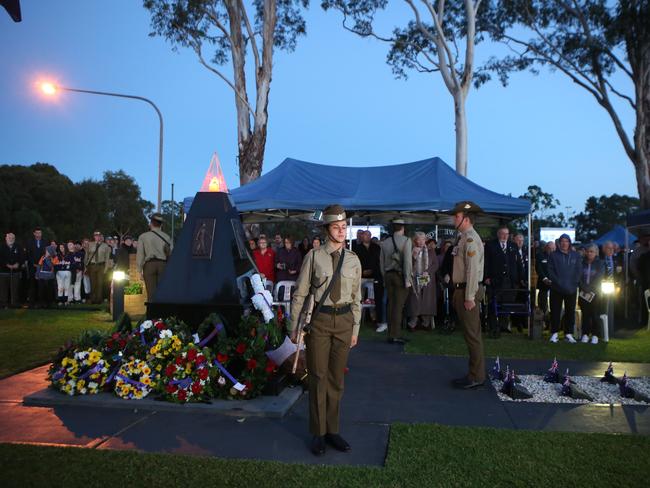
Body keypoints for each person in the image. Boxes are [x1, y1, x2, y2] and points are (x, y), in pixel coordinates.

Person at [290, 204, 361, 456]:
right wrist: (294, 327)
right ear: (327, 229)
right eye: (336, 227)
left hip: (344, 323)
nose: (341, 231)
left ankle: (333, 430)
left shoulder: (353, 260)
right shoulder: (314, 256)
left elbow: (357, 298)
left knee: (337, 379)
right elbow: (300, 293)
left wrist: (355, 329)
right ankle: (318, 432)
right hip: (319, 323)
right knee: (318, 378)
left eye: (343, 227)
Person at [449, 201, 486, 389]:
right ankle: (475, 373)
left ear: (466, 219)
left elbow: (472, 270)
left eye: (456, 216)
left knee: (472, 335)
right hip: (462, 289)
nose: (453, 219)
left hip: (467, 290)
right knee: (470, 334)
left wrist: (469, 296)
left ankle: (476, 376)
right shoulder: (463, 237)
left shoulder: (470, 239)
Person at [380, 219, 413, 344]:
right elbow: (408, 263)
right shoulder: (406, 241)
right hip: (400, 276)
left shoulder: (385, 242)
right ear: (402, 228)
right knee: (398, 306)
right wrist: (407, 279)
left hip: (388, 276)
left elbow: (381, 263)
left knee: (390, 305)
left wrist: (384, 277)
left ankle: (390, 334)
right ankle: (396, 334)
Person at [483, 225, 520, 336]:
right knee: (493, 304)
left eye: (506, 234)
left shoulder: (513, 246)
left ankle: (504, 326)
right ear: (498, 234)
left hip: (509, 281)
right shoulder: (490, 245)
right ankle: (493, 327)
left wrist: (520, 278)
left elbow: (517, 264)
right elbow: (486, 262)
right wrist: (486, 277)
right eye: (502, 233)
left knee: (507, 304)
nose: (504, 236)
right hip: (494, 280)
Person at [547, 233, 582, 343]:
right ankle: (554, 333)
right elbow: (550, 271)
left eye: (566, 241)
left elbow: (578, 271)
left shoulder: (576, 256)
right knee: (555, 311)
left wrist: (574, 283)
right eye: (562, 241)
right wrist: (558, 283)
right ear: (559, 243)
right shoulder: (553, 255)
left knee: (570, 311)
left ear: (569, 242)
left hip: (571, 288)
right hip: (556, 288)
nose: (564, 243)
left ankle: (568, 334)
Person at [407, 231, 438, 331]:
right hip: (415, 279)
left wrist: (427, 271)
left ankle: (426, 323)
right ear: (415, 240)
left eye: (423, 239)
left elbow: (435, 265)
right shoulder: (411, 250)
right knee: (415, 301)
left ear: (425, 240)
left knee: (427, 301)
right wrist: (413, 256)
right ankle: (413, 323)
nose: (420, 241)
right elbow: (408, 265)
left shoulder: (430, 251)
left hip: (427, 279)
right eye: (418, 239)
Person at [137, 213, 172, 300]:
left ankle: (151, 312)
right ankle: (162, 312)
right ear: (161, 225)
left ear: (151, 223)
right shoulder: (167, 237)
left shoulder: (143, 237)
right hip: (163, 265)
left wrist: (139, 270)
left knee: (151, 293)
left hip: (149, 265)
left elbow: (140, 255)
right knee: (162, 292)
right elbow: (171, 253)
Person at [356, 230, 386, 332]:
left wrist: (373, 270)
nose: (366, 237)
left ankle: (374, 318)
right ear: (362, 236)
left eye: (368, 235)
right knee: (359, 297)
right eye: (365, 235)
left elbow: (379, 261)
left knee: (374, 298)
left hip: (375, 275)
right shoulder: (357, 248)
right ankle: (358, 318)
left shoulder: (376, 247)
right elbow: (356, 262)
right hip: (362, 275)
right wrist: (362, 271)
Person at [578, 243, 604, 344]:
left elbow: (599, 277)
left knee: (595, 314)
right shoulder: (582, 263)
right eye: (588, 251)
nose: (589, 253)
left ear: (596, 253)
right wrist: (584, 288)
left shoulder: (600, 263)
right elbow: (578, 277)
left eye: (591, 251)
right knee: (585, 314)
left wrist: (590, 288)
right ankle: (585, 334)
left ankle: (595, 335)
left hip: (595, 293)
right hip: (583, 293)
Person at [84, 231, 111, 304]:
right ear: (94, 236)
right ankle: (92, 299)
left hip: (101, 266)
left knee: (100, 283)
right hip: (92, 266)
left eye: (99, 235)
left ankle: (99, 299)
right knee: (92, 283)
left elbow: (107, 258)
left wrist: (106, 268)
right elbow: (86, 256)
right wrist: (85, 266)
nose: (97, 237)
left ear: (100, 236)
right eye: (96, 235)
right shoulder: (90, 244)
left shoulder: (105, 246)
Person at [0, 233, 23, 308]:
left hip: (15, 272)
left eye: (13, 238)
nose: (11, 239)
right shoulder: (1, 247)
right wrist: (7, 265)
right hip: (3, 271)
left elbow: (22, 256)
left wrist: (18, 264)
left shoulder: (18, 246)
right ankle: (4, 303)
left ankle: (14, 303)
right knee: (4, 288)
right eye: (9, 238)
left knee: (15, 288)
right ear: (6, 238)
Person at [26, 227, 46, 307]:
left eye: (40, 233)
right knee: (32, 285)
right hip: (32, 267)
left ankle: (41, 302)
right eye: (37, 233)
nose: (38, 235)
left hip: (42, 267)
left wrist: (41, 264)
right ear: (34, 233)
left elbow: (46, 254)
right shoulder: (29, 242)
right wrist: (33, 263)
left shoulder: (45, 242)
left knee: (41, 285)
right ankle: (31, 303)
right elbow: (28, 254)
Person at [535, 241, 556, 316]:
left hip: (555, 284)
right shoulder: (540, 255)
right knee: (542, 303)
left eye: (553, 248)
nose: (551, 250)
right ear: (546, 248)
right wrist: (545, 279)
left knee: (554, 303)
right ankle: (543, 319)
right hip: (543, 283)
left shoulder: (557, 257)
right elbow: (538, 268)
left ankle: (552, 319)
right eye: (550, 248)